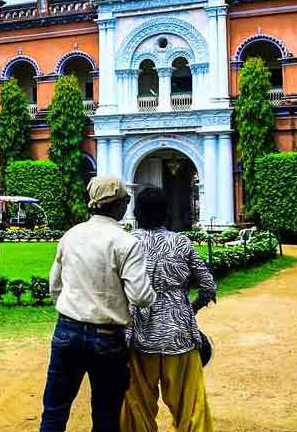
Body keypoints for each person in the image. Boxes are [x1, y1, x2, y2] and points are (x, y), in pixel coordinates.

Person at [40, 176, 156, 432]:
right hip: (107, 336)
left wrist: (70, 309)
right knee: (106, 415)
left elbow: (54, 284)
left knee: (54, 411)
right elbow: (140, 296)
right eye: (125, 200)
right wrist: (153, 296)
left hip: (67, 329)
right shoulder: (126, 242)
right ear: (118, 205)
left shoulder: (71, 235)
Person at [120, 187, 217, 432]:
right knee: (191, 408)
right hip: (180, 335)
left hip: (139, 335)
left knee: (137, 407)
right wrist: (190, 309)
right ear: (166, 213)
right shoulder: (181, 242)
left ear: (137, 212)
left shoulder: (127, 243)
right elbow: (208, 286)